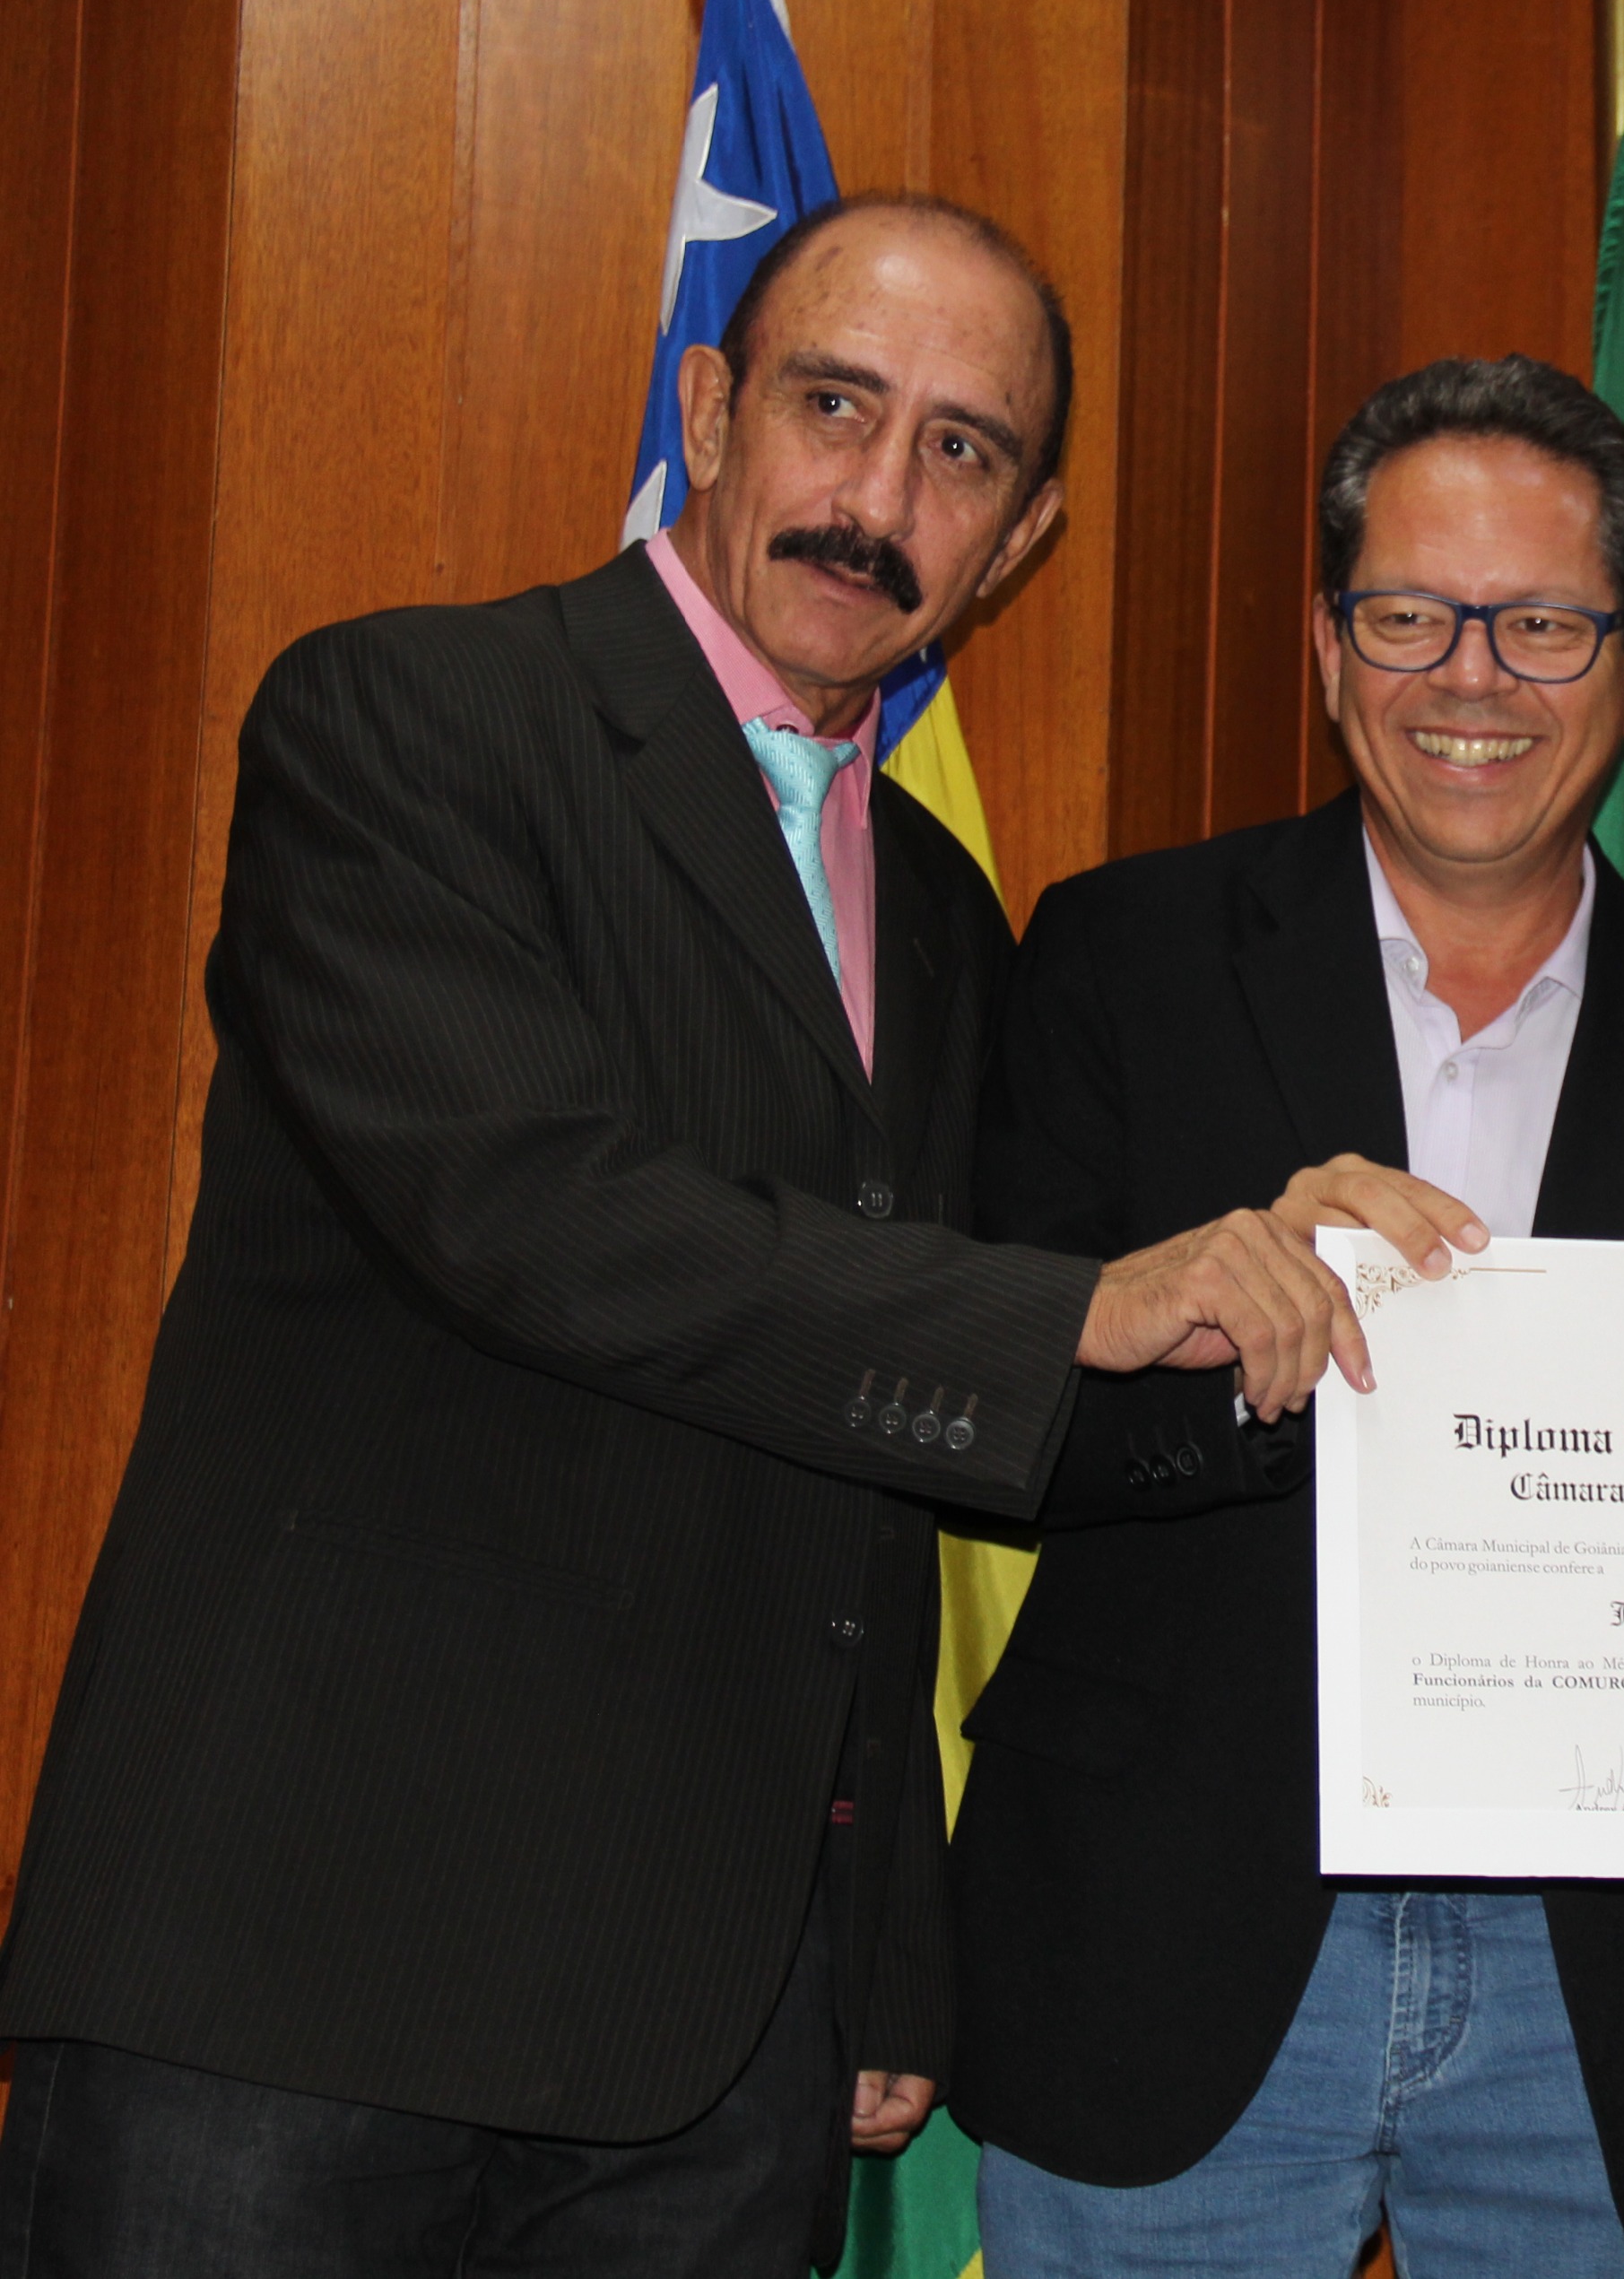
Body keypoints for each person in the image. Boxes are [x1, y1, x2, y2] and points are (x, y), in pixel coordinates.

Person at [0, 196, 1375, 2279]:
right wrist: (1084, 1305)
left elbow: (886, 1451)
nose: (878, 500)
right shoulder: (414, 718)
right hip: (293, 1961)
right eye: (836, 406)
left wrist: (1325, 1334)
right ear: (713, 412)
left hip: (716, 2038)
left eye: (960, 452)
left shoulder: (937, 908)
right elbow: (537, 1217)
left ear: (1022, 537)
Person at [948, 355, 1624, 2279]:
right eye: (1409, 617)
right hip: (1169, 1952)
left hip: (1596, 1990)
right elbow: (993, 1424)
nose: (1473, 678)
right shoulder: (1119, 957)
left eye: (1541, 624)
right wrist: (1224, 1335)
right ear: (1326, 645)